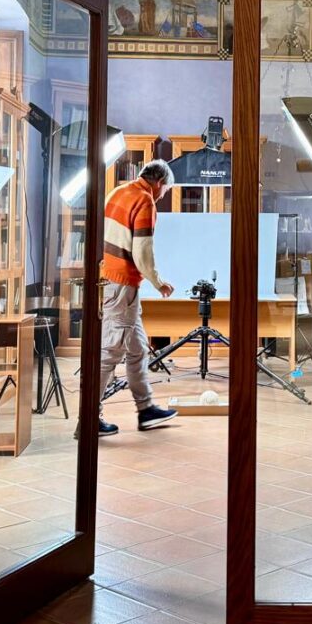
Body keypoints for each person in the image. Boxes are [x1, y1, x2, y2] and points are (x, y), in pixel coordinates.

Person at [98, 159, 180, 437]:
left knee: (137, 349)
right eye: (165, 190)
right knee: (110, 352)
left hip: (111, 281)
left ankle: (146, 410)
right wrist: (159, 282)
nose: (162, 195)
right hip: (123, 285)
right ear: (159, 183)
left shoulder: (117, 192)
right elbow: (142, 251)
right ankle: (89, 417)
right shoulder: (145, 201)